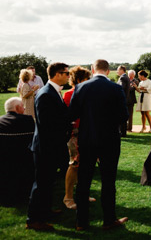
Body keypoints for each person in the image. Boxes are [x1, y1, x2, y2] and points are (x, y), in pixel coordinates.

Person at [69, 59, 129, 231]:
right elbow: (123, 116)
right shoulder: (115, 88)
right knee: (108, 181)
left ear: (92, 70)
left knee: (84, 180)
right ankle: (109, 220)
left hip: (87, 139)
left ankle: (81, 221)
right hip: (109, 139)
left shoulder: (81, 87)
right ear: (108, 71)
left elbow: (73, 113)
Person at [26, 62, 70, 231]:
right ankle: (33, 219)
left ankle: (45, 211)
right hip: (45, 147)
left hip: (51, 146)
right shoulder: (45, 94)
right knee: (41, 184)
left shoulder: (53, 91)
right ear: (56, 74)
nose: (68, 76)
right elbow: (46, 124)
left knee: (49, 182)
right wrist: (67, 125)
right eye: (65, 73)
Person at [0, 97, 35, 204]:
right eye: (23, 106)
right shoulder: (27, 120)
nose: (24, 108)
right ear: (17, 108)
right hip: (25, 161)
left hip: (2, 161)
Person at [62, 66, 93, 210]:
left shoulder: (85, 92)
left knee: (84, 165)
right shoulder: (69, 94)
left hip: (86, 132)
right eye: (87, 79)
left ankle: (82, 194)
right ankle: (68, 197)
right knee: (74, 165)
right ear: (79, 80)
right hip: (75, 133)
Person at [116, 66, 131, 137]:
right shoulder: (126, 77)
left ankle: (122, 132)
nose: (117, 71)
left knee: (121, 116)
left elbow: (121, 88)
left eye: (118, 70)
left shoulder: (123, 78)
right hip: (125, 99)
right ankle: (123, 132)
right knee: (123, 116)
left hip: (122, 100)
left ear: (122, 70)